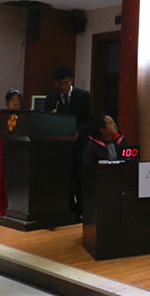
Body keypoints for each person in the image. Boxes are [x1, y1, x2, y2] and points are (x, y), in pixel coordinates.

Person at [44, 65, 93, 219]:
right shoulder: (51, 98)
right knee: (65, 179)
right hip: (61, 146)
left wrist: (78, 132)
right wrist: (51, 118)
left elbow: (89, 120)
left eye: (65, 83)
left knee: (80, 179)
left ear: (71, 81)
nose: (62, 87)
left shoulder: (82, 95)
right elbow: (45, 123)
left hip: (79, 145)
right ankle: (69, 210)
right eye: (59, 84)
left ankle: (82, 211)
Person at [0, 89, 23, 216]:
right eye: (12, 100)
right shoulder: (1, 115)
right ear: (7, 102)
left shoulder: (23, 116)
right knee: (2, 175)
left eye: (18, 100)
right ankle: (1, 204)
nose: (15, 103)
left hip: (18, 148)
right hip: (4, 147)